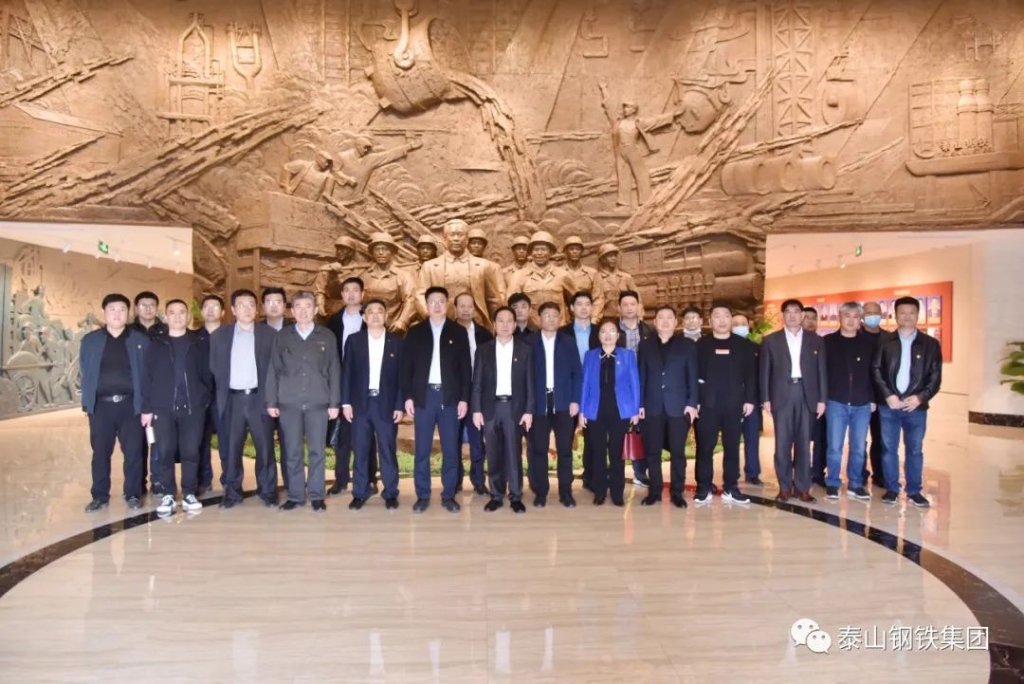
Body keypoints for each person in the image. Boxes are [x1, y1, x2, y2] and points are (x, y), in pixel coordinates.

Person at [266, 291, 341, 512]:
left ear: (315, 310)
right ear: (292, 311)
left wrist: (334, 403)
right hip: (289, 403)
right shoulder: (282, 336)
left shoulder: (327, 336)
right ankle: (296, 495)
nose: (303, 311)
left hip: (318, 402)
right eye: (298, 306)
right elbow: (273, 370)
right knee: (292, 451)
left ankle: (317, 495)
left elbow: (334, 370)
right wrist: (271, 401)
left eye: (308, 306)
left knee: (317, 451)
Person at [401, 286, 472, 514]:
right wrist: (408, 397)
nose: (437, 305)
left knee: (450, 449)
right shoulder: (415, 332)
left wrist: (464, 399)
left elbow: (465, 370)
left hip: (450, 397)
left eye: (441, 301)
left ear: (447, 303)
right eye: (432, 301)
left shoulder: (458, 332)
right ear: (427, 305)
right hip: (424, 396)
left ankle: (448, 495)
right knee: (422, 449)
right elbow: (407, 368)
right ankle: (422, 495)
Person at [141, 299, 213, 516]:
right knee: (165, 451)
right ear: (166, 316)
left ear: (188, 316)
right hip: (163, 409)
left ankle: (189, 492)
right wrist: (147, 408)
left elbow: (207, 375)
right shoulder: (156, 344)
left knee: (191, 451)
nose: (177, 316)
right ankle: (168, 494)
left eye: (182, 312)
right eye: (172, 312)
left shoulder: (198, 343)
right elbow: (147, 378)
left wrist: (203, 399)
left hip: (193, 409)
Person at [80, 293, 150, 512]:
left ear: (128, 313)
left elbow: (148, 375)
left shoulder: (140, 340)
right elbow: (85, 370)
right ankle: (99, 495)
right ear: (104, 312)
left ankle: (133, 493)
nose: (117, 314)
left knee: (134, 453)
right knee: (101, 453)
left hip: (131, 406)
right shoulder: (90, 341)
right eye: (112, 309)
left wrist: (146, 407)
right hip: (101, 407)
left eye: (122, 310)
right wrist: (88, 403)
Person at [209, 289, 278, 509]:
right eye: (241, 305)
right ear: (232, 309)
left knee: (265, 448)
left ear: (257, 309)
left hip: (260, 398)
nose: (247, 309)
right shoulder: (219, 336)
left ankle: (267, 491)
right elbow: (214, 368)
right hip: (232, 400)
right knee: (231, 449)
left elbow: (276, 369)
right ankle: (232, 492)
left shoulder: (269, 335)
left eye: (251, 305)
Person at [871, 296, 942, 507]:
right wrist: (888, 395)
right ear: (896, 315)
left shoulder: (930, 344)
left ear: (918, 315)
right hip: (889, 406)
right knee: (888, 449)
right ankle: (892, 489)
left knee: (914, 450)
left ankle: (914, 491)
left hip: (916, 408)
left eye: (911, 312)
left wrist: (920, 397)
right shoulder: (884, 341)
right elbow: (875, 370)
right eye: (902, 312)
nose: (907, 316)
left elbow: (935, 377)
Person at [761, 298, 827, 503]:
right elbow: (764, 372)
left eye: (796, 311)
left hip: (807, 395)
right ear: (783, 315)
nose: (792, 315)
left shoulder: (816, 340)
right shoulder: (770, 340)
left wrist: (822, 399)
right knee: (782, 444)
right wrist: (765, 398)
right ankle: (784, 488)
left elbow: (822, 372)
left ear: (802, 315)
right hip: (782, 395)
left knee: (804, 444)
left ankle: (802, 488)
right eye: (788, 312)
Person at [341, 299, 404, 510]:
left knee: (387, 450)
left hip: (386, 404)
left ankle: (391, 493)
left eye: (380, 311)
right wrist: (346, 403)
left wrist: (399, 405)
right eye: (371, 312)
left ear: (386, 316)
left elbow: (401, 378)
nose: (375, 315)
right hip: (360, 403)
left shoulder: (397, 342)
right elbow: (347, 373)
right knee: (360, 450)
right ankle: (359, 493)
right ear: (364, 317)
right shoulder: (354, 341)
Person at [473, 307, 535, 514]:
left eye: (510, 321)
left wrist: (529, 411)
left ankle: (516, 496)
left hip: (513, 408)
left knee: (513, 453)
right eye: (501, 320)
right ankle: (496, 496)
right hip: (489, 408)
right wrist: (476, 410)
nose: (505, 325)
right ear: (494, 324)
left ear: (515, 325)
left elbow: (530, 383)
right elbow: (477, 383)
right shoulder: (483, 350)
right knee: (493, 454)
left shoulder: (525, 349)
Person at [694, 304, 756, 505]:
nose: (722, 320)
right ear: (709, 320)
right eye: (717, 316)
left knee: (732, 447)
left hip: (734, 403)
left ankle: (731, 487)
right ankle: (704, 487)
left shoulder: (743, 345)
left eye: (726, 316)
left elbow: (750, 375)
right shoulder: (701, 345)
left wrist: (749, 399)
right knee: (705, 447)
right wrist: (696, 401)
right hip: (707, 405)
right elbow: (694, 375)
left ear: (731, 320)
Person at [637, 305, 698, 507]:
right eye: (660, 318)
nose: (664, 321)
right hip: (652, 405)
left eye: (669, 317)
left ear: (675, 322)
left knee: (678, 453)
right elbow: (641, 376)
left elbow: (692, 376)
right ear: (655, 322)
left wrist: (692, 403)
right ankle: (654, 491)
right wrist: (640, 403)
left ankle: (677, 493)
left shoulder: (687, 345)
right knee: (652, 452)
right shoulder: (645, 345)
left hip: (678, 407)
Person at [579, 319, 640, 506]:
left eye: (612, 331)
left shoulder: (627, 355)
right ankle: (599, 492)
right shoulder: (590, 356)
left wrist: (635, 409)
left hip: (619, 410)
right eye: (603, 331)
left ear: (618, 335)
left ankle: (617, 493)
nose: (607, 335)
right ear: (598, 336)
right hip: (595, 410)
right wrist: (582, 411)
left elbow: (634, 383)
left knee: (616, 454)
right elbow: (585, 384)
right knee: (598, 453)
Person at [326, 277, 377, 495]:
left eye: (355, 290)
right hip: (340, 382)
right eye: (346, 290)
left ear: (362, 294)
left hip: (366, 383)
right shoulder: (333, 321)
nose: (351, 294)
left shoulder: (371, 319)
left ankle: (370, 478)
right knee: (342, 434)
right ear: (342, 295)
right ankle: (340, 480)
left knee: (367, 433)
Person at [528, 302, 582, 508]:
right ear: (539, 319)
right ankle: (541, 492)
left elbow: (576, 373)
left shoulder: (568, 342)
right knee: (539, 450)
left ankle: (566, 493)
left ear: (560, 319)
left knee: (565, 450)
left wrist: (575, 400)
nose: (551, 319)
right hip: (538, 404)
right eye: (546, 315)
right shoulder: (529, 342)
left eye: (554, 315)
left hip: (563, 403)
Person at [823, 302, 876, 501]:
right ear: (840, 317)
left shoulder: (868, 343)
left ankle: (855, 484)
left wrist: (872, 398)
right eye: (847, 315)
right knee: (834, 446)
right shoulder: (828, 342)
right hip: (836, 401)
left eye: (855, 316)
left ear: (860, 319)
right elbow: (821, 373)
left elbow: (874, 374)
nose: (851, 320)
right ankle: (832, 483)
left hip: (862, 404)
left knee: (858, 447)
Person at [419, 219, 504, 331]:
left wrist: (498, 324)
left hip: (475, 325)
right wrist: (430, 315)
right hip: (441, 324)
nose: (456, 239)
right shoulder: (429, 266)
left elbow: (493, 299)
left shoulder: (483, 266)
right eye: (452, 235)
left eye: (460, 235)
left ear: (467, 239)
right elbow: (420, 295)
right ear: (445, 238)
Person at [560, 291, 601, 492]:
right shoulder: (562, 333)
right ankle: (565, 483)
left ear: (592, 307)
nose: (584, 308)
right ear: (571, 308)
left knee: (593, 437)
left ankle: (591, 478)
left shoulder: (600, 332)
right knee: (566, 438)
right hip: (569, 391)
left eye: (587, 304)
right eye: (579, 304)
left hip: (594, 391)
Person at [455, 292, 492, 495]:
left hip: (478, 393)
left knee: (477, 441)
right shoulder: (447, 332)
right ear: (455, 308)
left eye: (469, 306)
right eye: (462, 306)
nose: (466, 310)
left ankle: (478, 480)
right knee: (453, 440)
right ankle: (455, 480)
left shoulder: (484, 334)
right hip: (454, 394)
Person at [616, 289, 653, 486]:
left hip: (643, 383)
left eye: (633, 304)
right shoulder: (612, 330)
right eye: (625, 304)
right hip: (619, 386)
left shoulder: (649, 331)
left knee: (641, 428)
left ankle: (640, 472)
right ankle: (616, 473)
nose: (629, 308)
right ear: (619, 308)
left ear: (639, 306)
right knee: (618, 429)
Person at [506, 231, 574, 328]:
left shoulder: (563, 275)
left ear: (551, 252)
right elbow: (511, 305)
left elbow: (575, 304)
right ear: (531, 252)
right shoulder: (519, 275)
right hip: (530, 332)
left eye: (543, 249)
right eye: (536, 250)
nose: (539, 253)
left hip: (558, 330)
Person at [860, 300, 894, 488]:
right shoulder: (855, 336)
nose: (872, 316)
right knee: (859, 440)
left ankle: (880, 475)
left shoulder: (889, 338)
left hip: (882, 397)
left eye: (876, 312)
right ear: (862, 316)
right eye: (868, 313)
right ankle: (859, 474)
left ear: (881, 315)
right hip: (860, 396)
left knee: (881, 439)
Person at [361, 232, 418, 334]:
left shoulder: (403, 276)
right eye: (377, 249)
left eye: (385, 249)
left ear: (392, 252)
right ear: (372, 253)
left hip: (393, 330)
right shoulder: (364, 277)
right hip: (368, 329)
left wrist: (402, 321)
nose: (381, 252)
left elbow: (411, 300)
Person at [196, 294, 224, 494]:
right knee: (200, 441)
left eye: (215, 306)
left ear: (223, 312)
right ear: (201, 311)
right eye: (207, 306)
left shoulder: (231, 335)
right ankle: (204, 480)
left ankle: (230, 480)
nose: (211, 310)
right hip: (200, 397)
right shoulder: (193, 337)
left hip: (224, 396)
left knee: (227, 441)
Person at [731, 312, 763, 486]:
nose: (739, 326)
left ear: (749, 324)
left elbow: (761, 376)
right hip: (731, 401)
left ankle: (753, 473)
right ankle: (732, 473)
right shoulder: (725, 347)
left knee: (752, 438)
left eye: (742, 323)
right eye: (735, 323)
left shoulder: (757, 348)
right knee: (732, 439)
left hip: (753, 400)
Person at [802, 306, 827, 487]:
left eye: (813, 318)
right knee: (801, 439)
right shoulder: (793, 343)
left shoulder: (823, 343)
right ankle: (801, 472)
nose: (810, 321)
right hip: (800, 399)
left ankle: (817, 472)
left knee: (821, 439)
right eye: (807, 318)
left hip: (820, 400)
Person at [315, 236, 363, 318]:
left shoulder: (359, 270)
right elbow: (319, 291)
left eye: (343, 249)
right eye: (338, 249)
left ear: (351, 252)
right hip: (330, 309)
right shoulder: (326, 269)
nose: (339, 252)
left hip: (351, 310)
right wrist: (320, 305)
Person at [561, 237, 605, 322]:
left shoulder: (592, 273)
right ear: (566, 251)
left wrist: (594, 319)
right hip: (565, 320)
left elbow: (598, 298)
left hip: (587, 318)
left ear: (582, 251)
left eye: (577, 249)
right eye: (571, 249)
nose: (575, 252)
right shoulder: (559, 273)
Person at [596, 244, 641, 319]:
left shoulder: (626, 277)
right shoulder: (597, 279)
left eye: (615, 256)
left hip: (626, 318)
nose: (613, 258)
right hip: (606, 319)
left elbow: (638, 299)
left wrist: (640, 317)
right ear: (602, 259)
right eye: (610, 256)